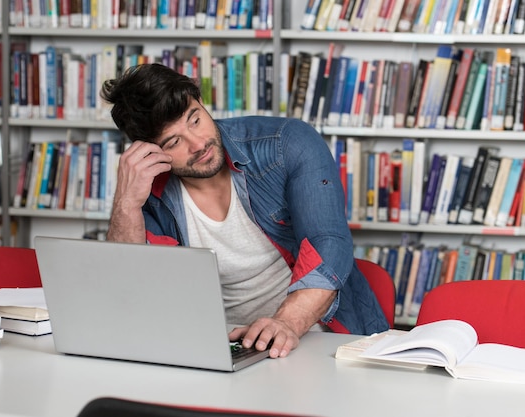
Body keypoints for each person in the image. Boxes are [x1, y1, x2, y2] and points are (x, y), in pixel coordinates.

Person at [100, 63, 389, 359]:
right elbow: (128, 293)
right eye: (174, 142)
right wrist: (126, 203)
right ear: (149, 151)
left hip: (319, 339)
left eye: (195, 120)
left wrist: (285, 323)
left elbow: (329, 243)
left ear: (201, 101)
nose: (198, 144)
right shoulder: (147, 187)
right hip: (220, 348)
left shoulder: (288, 143)